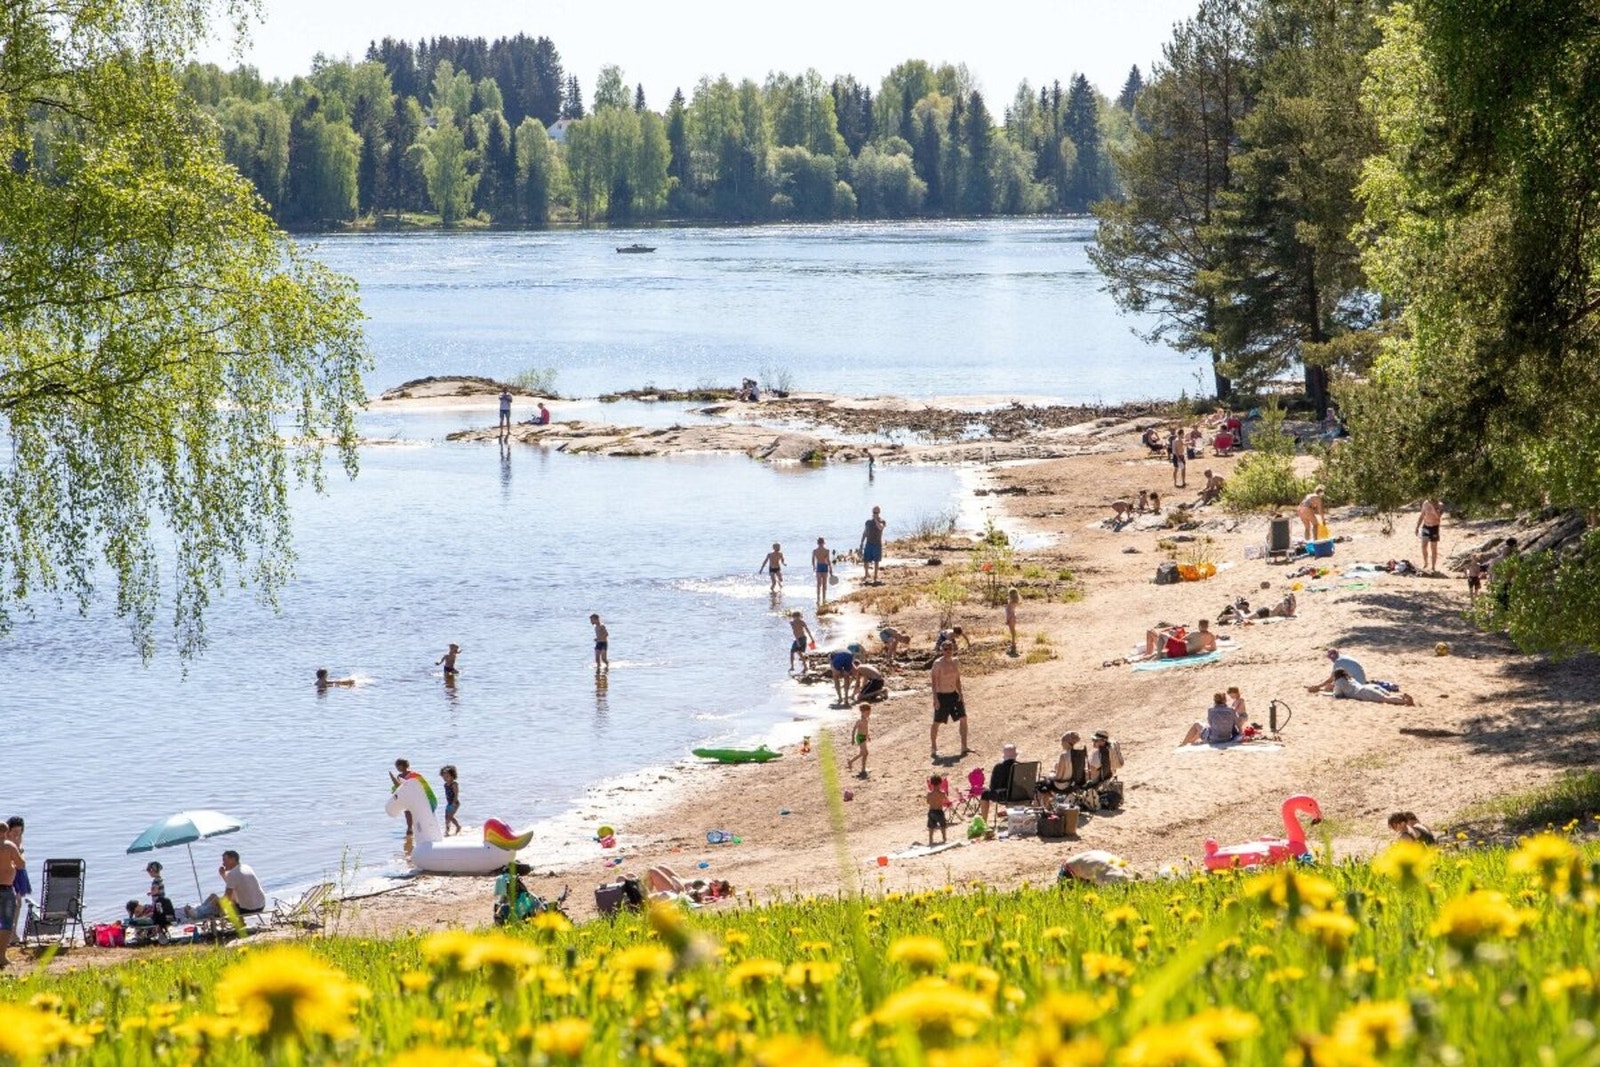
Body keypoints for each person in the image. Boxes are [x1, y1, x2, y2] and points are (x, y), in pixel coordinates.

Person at [190, 850, 266, 920]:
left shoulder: (232, 874)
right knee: (213, 896)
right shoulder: (246, 867)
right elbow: (235, 885)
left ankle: (198, 914)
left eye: (224, 860)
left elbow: (227, 898)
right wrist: (223, 875)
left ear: (232, 859)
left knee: (216, 900)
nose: (223, 863)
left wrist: (222, 911)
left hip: (249, 909)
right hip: (260, 904)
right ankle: (199, 910)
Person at [930, 640, 967, 760]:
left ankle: (964, 746)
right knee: (937, 722)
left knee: (963, 718)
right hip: (942, 695)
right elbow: (934, 682)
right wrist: (935, 699)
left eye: (950, 648)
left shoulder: (955, 662)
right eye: (945, 649)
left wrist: (960, 693)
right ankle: (934, 747)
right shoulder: (937, 663)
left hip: (954, 694)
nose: (948, 651)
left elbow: (957, 680)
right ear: (942, 650)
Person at [0, 815, 25, 969]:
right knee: (6, 923)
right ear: (6, 832)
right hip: (6, 889)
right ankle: (1, 956)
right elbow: (21, 864)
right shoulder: (9, 846)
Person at [978, 743, 1020, 821]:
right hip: (1021, 796)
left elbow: (993, 787)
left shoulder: (999, 767)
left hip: (1004, 797)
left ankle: (984, 821)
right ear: (1015, 755)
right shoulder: (1021, 767)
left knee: (985, 793)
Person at [1332, 668, 1417, 706]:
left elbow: (1338, 695)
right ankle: (1403, 696)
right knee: (1389, 695)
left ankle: (1406, 702)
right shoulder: (1350, 679)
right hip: (1371, 686)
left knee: (1386, 699)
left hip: (1365, 692)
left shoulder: (1339, 682)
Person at [1416, 497, 1443, 573]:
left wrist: (1433, 506)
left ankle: (1433, 566)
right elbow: (1422, 515)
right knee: (1424, 546)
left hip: (1434, 527)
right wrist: (1417, 527)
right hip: (1426, 526)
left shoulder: (1440, 505)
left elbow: (1438, 517)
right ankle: (1425, 562)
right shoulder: (1425, 503)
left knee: (1433, 548)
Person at [860, 506, 886, 582]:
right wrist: (861, 542)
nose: (875, 514)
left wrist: (875, 519)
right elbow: (865, 532)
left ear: (879, 513)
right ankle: (866, 574)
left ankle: (875, 576)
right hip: (868, 543)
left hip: (877, 544)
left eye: (876, 512)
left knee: (876, 561)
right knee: (866, 560)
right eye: (874, 512)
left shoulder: (882, 521)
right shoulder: (868, 522)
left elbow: (880, 528)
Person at [390, 759, 415, 835]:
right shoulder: (399, 776)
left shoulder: (412, 774)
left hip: (413, 796)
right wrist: (395, 793)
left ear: (403, 766)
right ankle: (410, 827)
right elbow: (399, 787)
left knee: (414, 812)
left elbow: (415, 785)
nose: (397, 768)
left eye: (398, 766)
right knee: (407, 812)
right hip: (405, 797)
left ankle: (414, 827)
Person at [846, 703, 871, 778]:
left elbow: (866, 729)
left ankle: (852, 762)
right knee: (865, 753)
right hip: (860, 737)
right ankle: (860, 767)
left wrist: (868, 736)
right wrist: (853, 739)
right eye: (867, 713)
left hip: (864, 737)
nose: (868, 714)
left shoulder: (866, 720)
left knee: (864, 753)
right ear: (862, 712)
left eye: (869, 713)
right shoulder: (859, 721)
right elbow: (854, 730)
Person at [926, 775, 949, 845]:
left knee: (931, 827)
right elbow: (946, 801)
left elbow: (928, 802)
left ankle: (930, 840)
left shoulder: (929, 794)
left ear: (931, 784)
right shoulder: (942, 793)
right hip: (939, 811)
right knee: (943, 826)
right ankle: (944, 838)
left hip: (931, 811)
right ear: (940, 784)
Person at [440, 765, 463, 836]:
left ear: (452, 776)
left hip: (455, 803)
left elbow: (456, 794)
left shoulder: (454, 784)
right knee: (447, 817)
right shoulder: (445, 785)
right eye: (443, 777)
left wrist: (454, 802)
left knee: (449, 817)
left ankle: (451, 830)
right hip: (449, 803)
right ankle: (452, 828)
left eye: (447, 776)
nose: (445, 778)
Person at [812, 538, 832, 606]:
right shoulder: (827, 551)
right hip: (825, 566)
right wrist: (831, 569)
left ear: (817, 543)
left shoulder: (815, 551)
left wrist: (814, 567)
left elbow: (813, 560)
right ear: (823, 543)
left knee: (818, 584)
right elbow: (828, 561)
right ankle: (824, 599)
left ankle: (818, 599)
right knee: (824, 584)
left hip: (819, 566)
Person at [1005, 587, 1020, 656]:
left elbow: (1009, 612)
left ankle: (1013, 645)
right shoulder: (1015, 601)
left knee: (1012, 632)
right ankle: (1013, 645)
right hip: (1014, 616)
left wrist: (1007, 620)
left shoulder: (1010, 602)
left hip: (1011, 617)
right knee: (1013, 631)